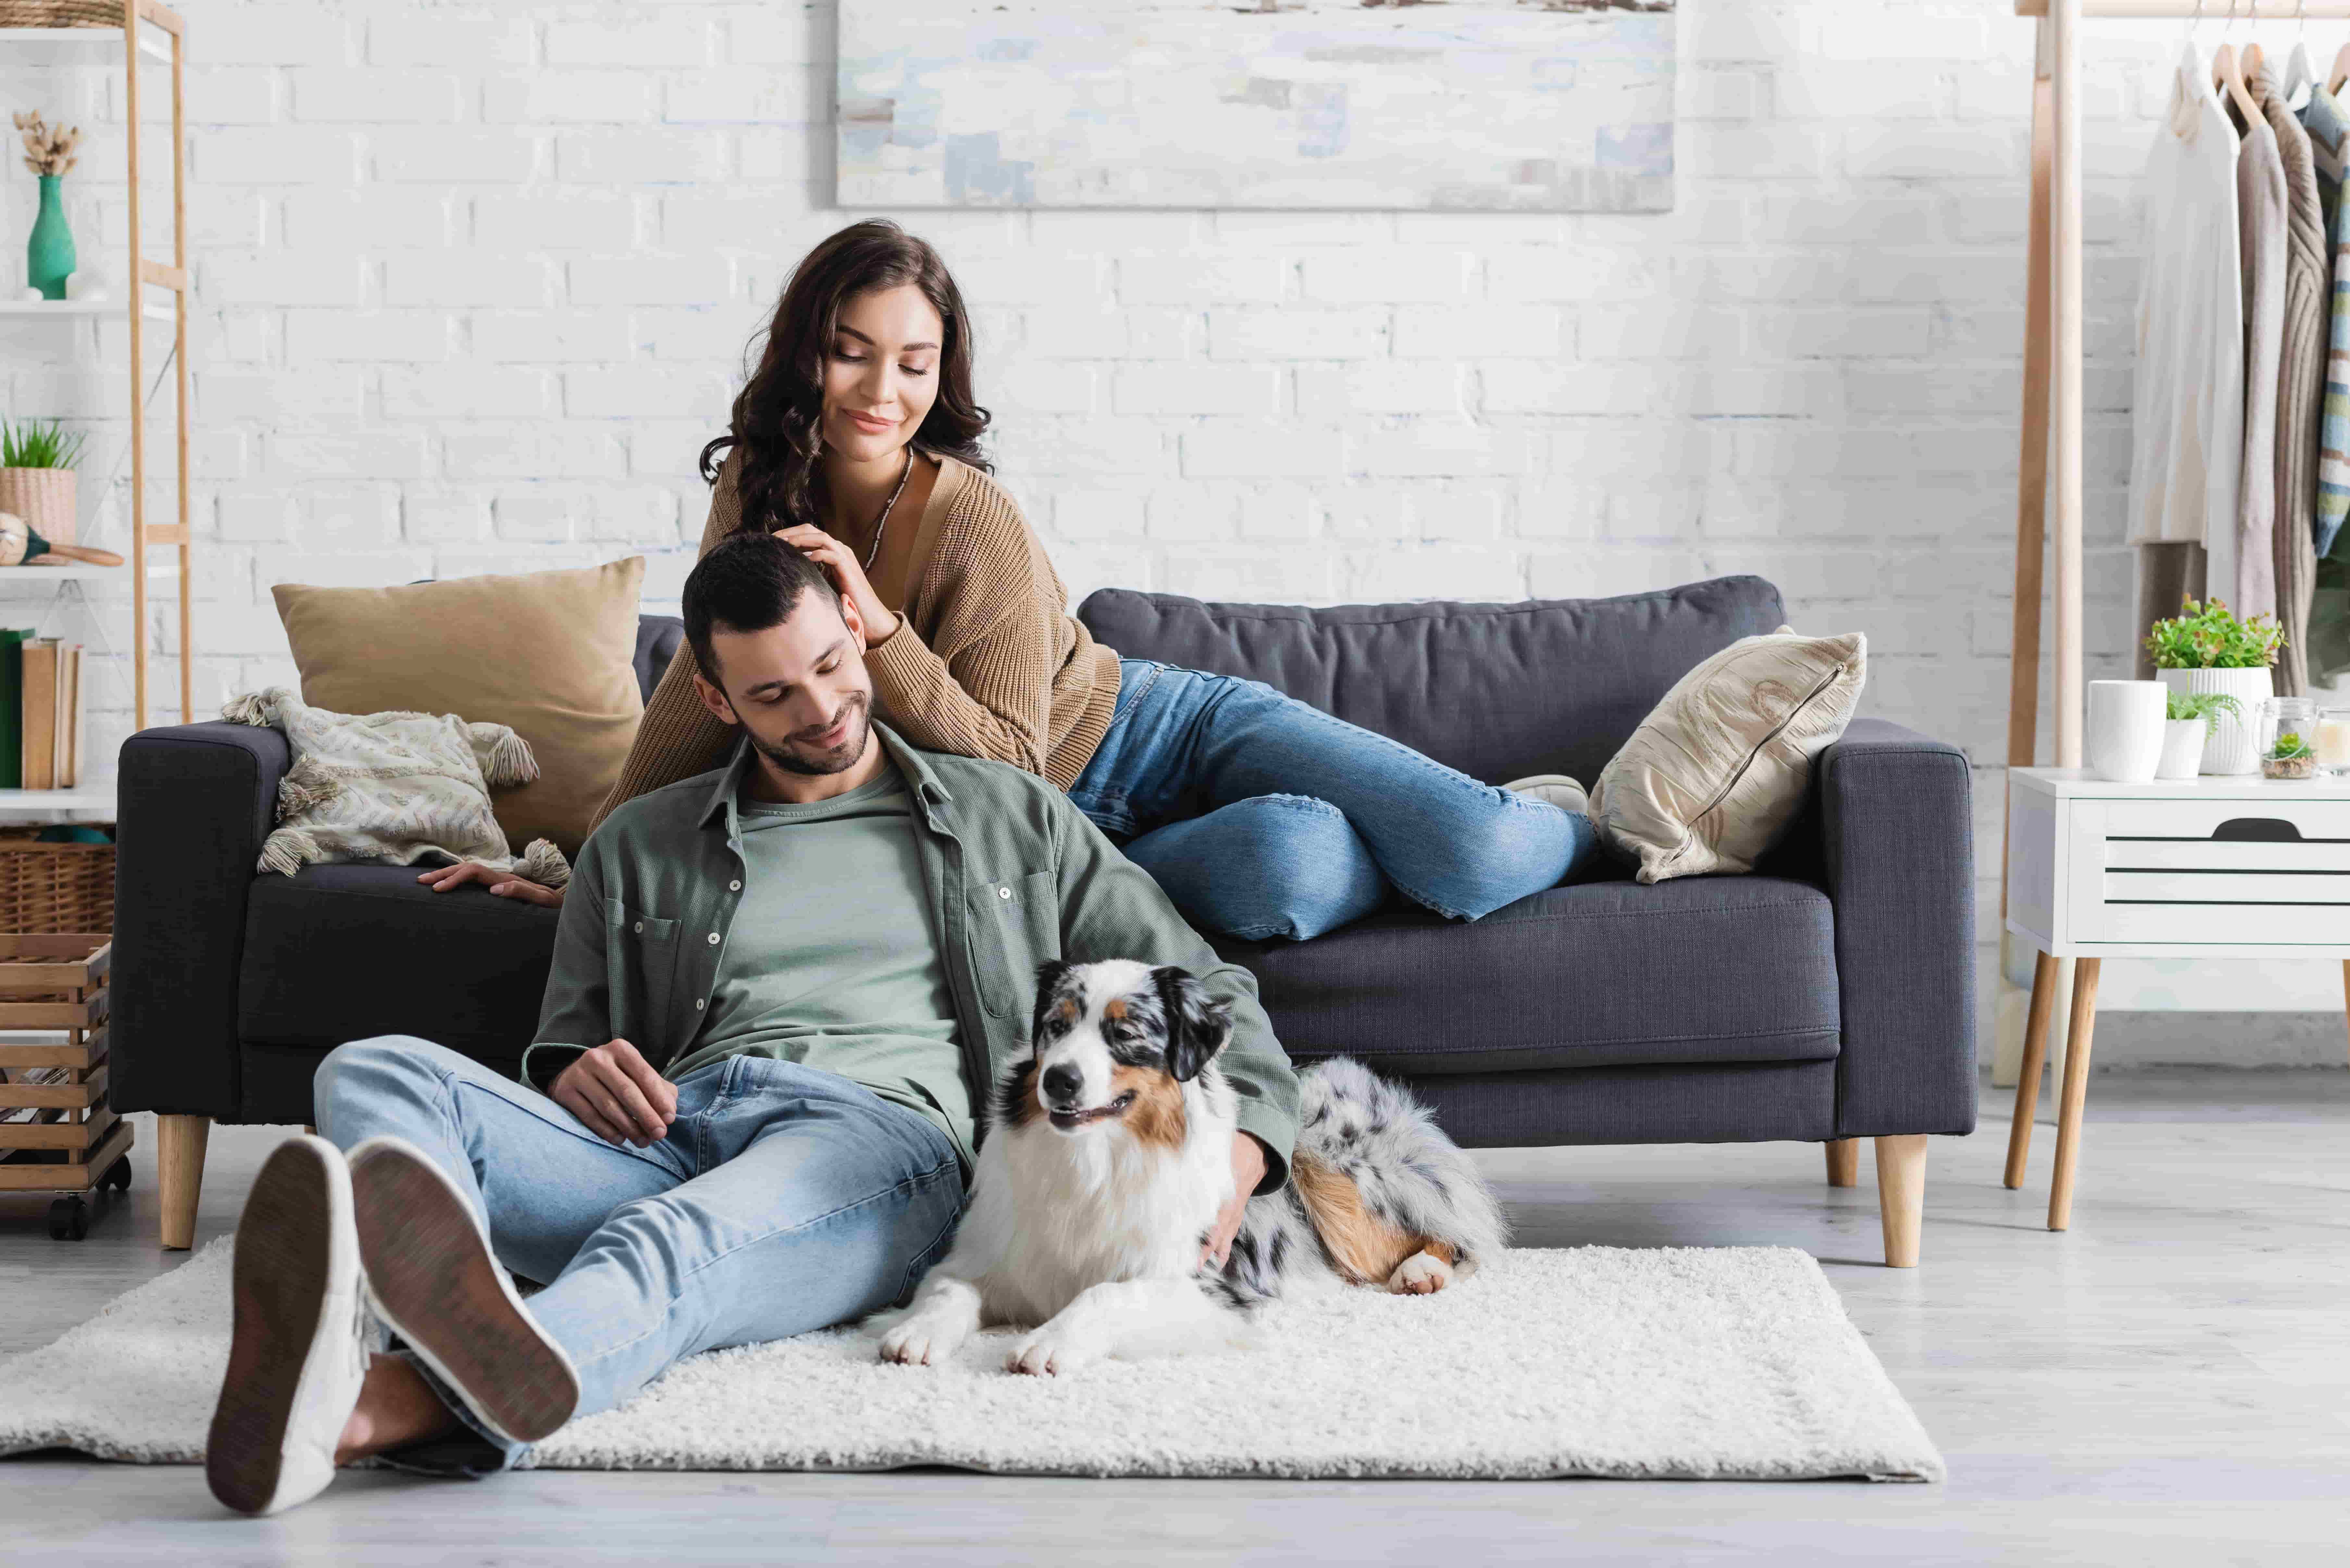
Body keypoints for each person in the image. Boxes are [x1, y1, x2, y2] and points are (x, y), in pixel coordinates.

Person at [206, 532, 1300, 1516]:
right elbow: (570, 1039)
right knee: (374, 1070)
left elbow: (1208, 989)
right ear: (720, 702)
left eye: (832, 666)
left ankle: (371, 1400)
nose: (821, 709)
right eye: (774, 695)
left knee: (667, 1245)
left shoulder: (1008, 815)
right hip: (670, 1128)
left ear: (857, 639)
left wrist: (1246, 1156)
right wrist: (578, 1070)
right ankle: (407, 1306)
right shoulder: (637, 844)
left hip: (876, 1143)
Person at [426, 219, 1595, 943]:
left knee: (1478, 855)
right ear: (805, 352)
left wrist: (881, 633)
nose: (884, 388)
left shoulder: (971, 513)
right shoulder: (756, 490)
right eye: (852, 351)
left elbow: (1018, 758)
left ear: (946, 371)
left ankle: (1572, 825)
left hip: (1150, 735)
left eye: (916, 362)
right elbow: (701, 690)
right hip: (1053, 836)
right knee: (1290, 866)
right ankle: (1374, 845)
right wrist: (583, 871)